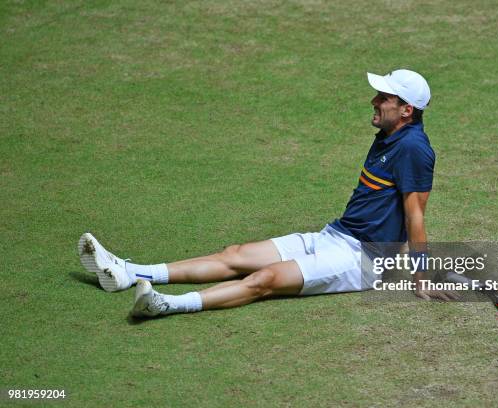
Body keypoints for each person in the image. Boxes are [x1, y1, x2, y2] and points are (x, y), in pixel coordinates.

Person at [77, 69, 457, 318]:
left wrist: (420, 275)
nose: (375, 101)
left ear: (406, 109)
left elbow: (415, 216)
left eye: (384, 98)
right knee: (236, 255)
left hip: (364, 259)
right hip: (335, 235)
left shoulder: (413, 149)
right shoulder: (388, 136)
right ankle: (130, 272)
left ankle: (166, 306)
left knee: (267, 280)